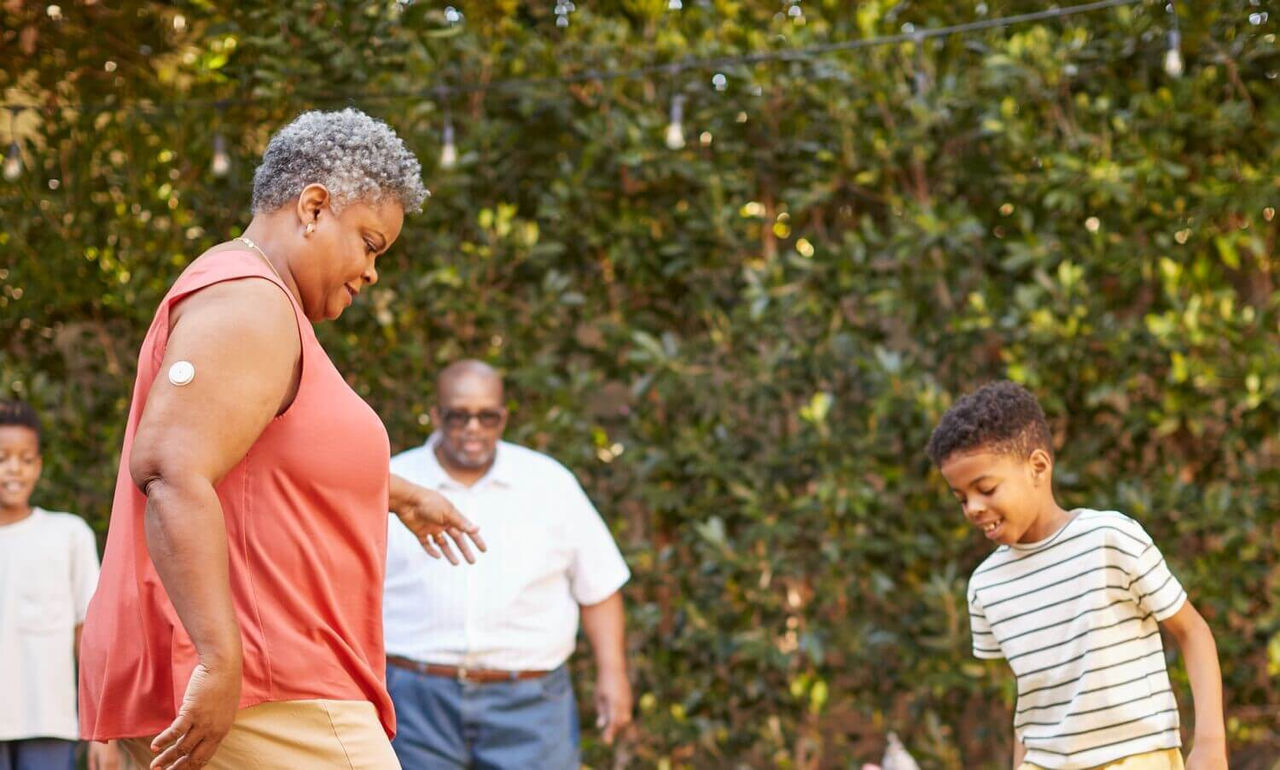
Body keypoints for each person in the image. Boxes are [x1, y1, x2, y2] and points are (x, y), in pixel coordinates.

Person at [78, 108, 486, 770]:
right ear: (314, 207)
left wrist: (396, 493)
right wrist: (219, 660)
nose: (372, 272)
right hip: (270, 686)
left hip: (265, 680)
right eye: (371, 243)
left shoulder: (254, 298)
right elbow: (172, 468)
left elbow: (264, 460)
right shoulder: (250, 302)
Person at [926, 381, 1228, 770]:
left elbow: (1193, 632)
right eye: (961, 497)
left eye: (985, 488)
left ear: (1038, 466)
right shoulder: (986, 587)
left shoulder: (1110, 540)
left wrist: (1209, 744)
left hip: (1132, 757)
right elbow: (1031, 692)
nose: (973, 507)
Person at [382, 360, 632, 769]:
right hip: (413, 701)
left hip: (530, 706)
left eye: (488, 416)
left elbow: (599, 587)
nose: (473, 427)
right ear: (436, 414)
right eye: (458, 415)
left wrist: (613, 673)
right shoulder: (392, 481)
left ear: (505, 416)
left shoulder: (550, 483)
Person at [0, 400, 119, 770]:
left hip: (49, 725)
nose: (13, 469)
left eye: (24, 458)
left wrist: (105, 731)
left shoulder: (68, 534)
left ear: (38, 465)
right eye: (2, 457)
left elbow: (89, 639)